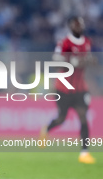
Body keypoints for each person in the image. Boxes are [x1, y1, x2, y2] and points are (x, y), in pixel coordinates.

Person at [40, 16, 96, 164]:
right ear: (70, 26)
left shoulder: (87, 42)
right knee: (61, 118)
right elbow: (56, 58)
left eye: (80, 24)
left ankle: (84, 153)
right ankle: (46, 129)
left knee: (83, 117)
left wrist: (90, 61)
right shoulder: (64, 42)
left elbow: (88, 60)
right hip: (63, 87)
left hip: (80, 88)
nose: (78, 27)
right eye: (75, 24)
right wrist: (72, 61)